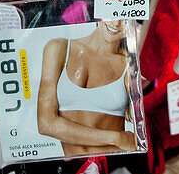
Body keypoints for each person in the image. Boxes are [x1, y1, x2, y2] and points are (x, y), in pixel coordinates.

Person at [37, 20, 136, 156]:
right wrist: (116, 138)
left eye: (125, 20)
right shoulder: (59, 48)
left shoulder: (130, 63)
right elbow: (46, 124)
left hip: (111, 164)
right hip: (72, 168)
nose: (116, 23)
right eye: (112, 14)